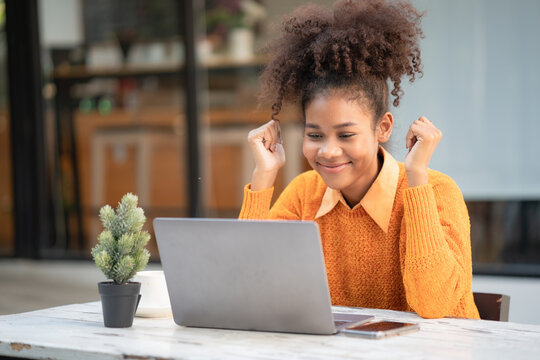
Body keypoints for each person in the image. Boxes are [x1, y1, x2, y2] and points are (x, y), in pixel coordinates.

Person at [238, 0, 480, 319]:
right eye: (315, 135)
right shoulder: (303, 194)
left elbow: (433, 305)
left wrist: (417, 176)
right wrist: (263, 177)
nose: (328, 151)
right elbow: (246, 289)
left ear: (383, 127)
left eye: (346, 135)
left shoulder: (437, 192)